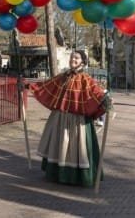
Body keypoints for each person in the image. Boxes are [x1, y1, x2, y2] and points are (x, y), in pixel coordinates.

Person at [30, 50, 112, 187]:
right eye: (71, 57)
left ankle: (78, 177)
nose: (72, 59)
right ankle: (56, 173)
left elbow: (96, 92)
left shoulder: (86, 79)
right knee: (59, 144)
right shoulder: (63, 77)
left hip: (77, 122)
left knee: (77, 147)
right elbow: (46, 86)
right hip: (60, 119)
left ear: (83, 61)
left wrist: (105, 100)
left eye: (76, 57)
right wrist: (27, 86)